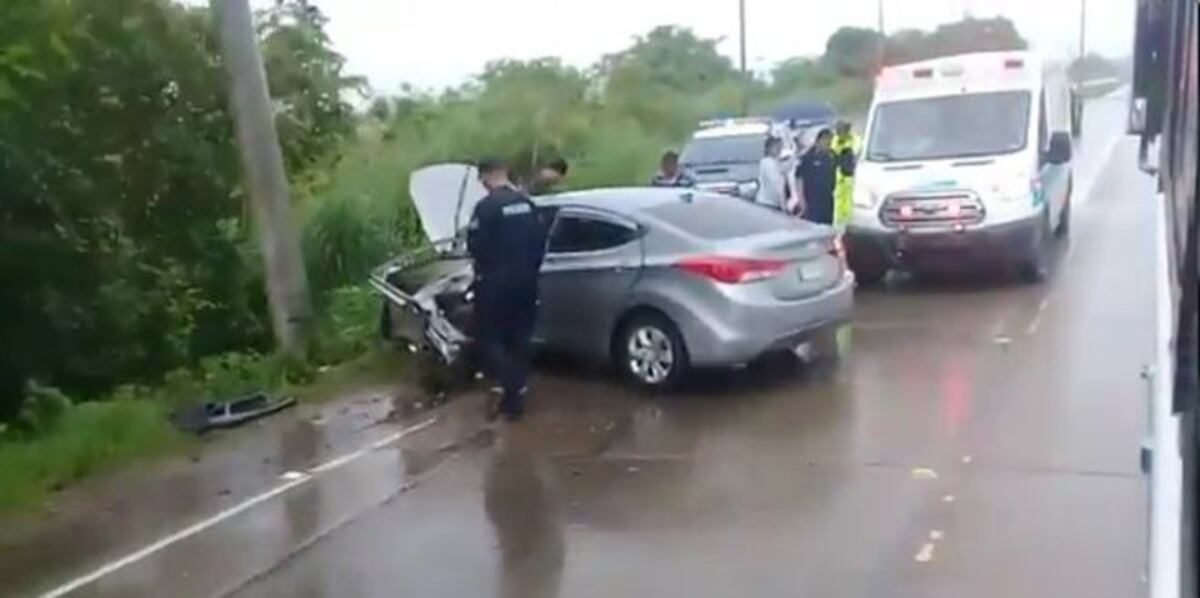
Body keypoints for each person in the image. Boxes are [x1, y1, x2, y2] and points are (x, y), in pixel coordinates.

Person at [467, 158, 549, 422]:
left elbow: (475, 246)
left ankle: (513, 389)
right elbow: (541, 242)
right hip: (527, 281)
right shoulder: (527, 204)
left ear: (487, 177)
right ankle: (516, 390)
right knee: (520, 337)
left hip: (495, 282)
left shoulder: (486, 207)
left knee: (490, 338)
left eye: (482, 180)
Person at [795, 129, 839, 225]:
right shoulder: (808, 157)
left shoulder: (833, 156)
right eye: (826, 140)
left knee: (826, 228)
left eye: (830, 141)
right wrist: (801, 200)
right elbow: (799, 179)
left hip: (827, 200)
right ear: (818, 141)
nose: (828, 143)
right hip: (812, 201)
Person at [831, 121, 859, 230]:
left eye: (841, 130)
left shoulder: (855, 140)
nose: (838, 133)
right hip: (839, 178)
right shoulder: (835, 140)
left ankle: (850, 223)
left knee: (851, 201)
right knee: (839, 203)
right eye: (837, 131)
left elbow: (854, 153)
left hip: (851, 177)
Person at [756, 136, 793, 211]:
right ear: (769, 148)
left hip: (771, 203)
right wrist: (784, 206)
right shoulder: (767, 162)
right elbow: (776, 184)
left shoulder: (776, 162)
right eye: (776, 147)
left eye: (780, 147)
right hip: (768, 204)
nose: (779, 149)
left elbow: (787, 167)